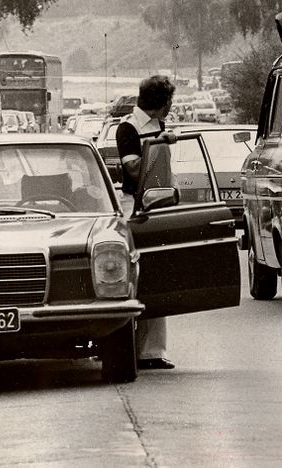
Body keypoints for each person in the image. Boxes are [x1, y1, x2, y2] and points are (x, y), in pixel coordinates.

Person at [115, 75, 176, 371]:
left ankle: (153, 350)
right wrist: (157, 142)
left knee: (158, 274)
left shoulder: (157, 125)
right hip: (135, 207)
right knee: (136, 277)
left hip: (159, 204)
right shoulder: (128, 128)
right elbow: (134, 169)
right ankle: (132, 346)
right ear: (161, 104)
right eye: (169, 102)